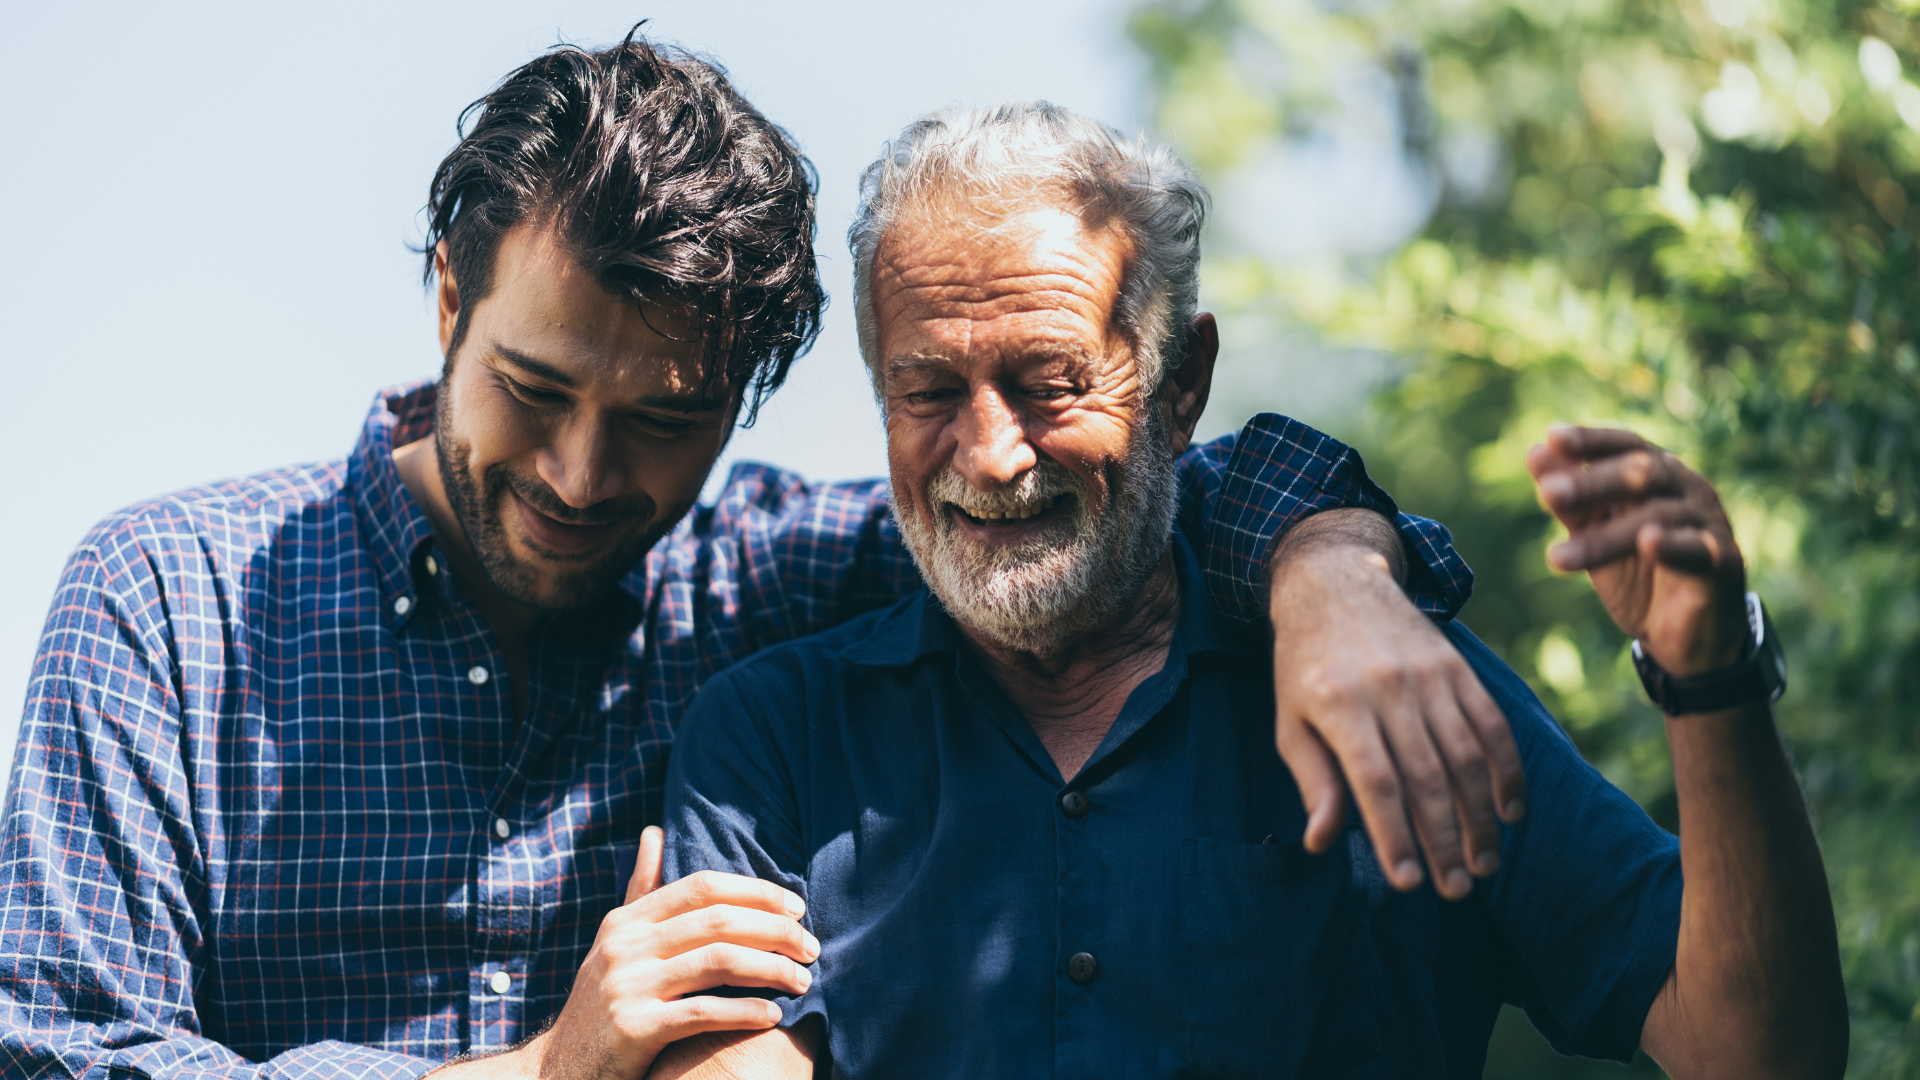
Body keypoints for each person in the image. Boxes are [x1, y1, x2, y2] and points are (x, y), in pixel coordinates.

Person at [0, 36, 1516, 1080]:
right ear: (450, 298)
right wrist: (549, 1069)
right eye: (533, 390)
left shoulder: (772, 581)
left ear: (741, 400)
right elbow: (63, 1057)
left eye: (663, 421)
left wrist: (1334, 575)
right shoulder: (166, 605)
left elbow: (1120, 490)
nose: (583, 476)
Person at [654, 102, 1849, 1078]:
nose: (992, 453)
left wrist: (1712, 674)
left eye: (1050, 382)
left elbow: (1761, 1054)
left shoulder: (1394, 680)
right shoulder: (773, 738)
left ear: (1182, 384)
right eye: (927, 393)